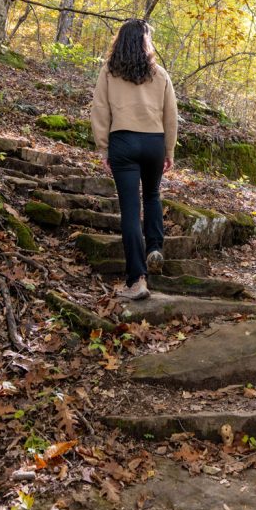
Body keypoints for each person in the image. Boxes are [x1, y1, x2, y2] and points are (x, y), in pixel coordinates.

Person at [90, 19, 178, 300]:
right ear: (145, 42)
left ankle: (136, 280)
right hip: (153, 141)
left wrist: (103, 148)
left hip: (123, 142)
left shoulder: (109, 71)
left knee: (130, 208)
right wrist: (169, 150)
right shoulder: (160, 73)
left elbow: (100, 111)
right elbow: (171, 115)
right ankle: (155, 247)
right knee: (152, 195)